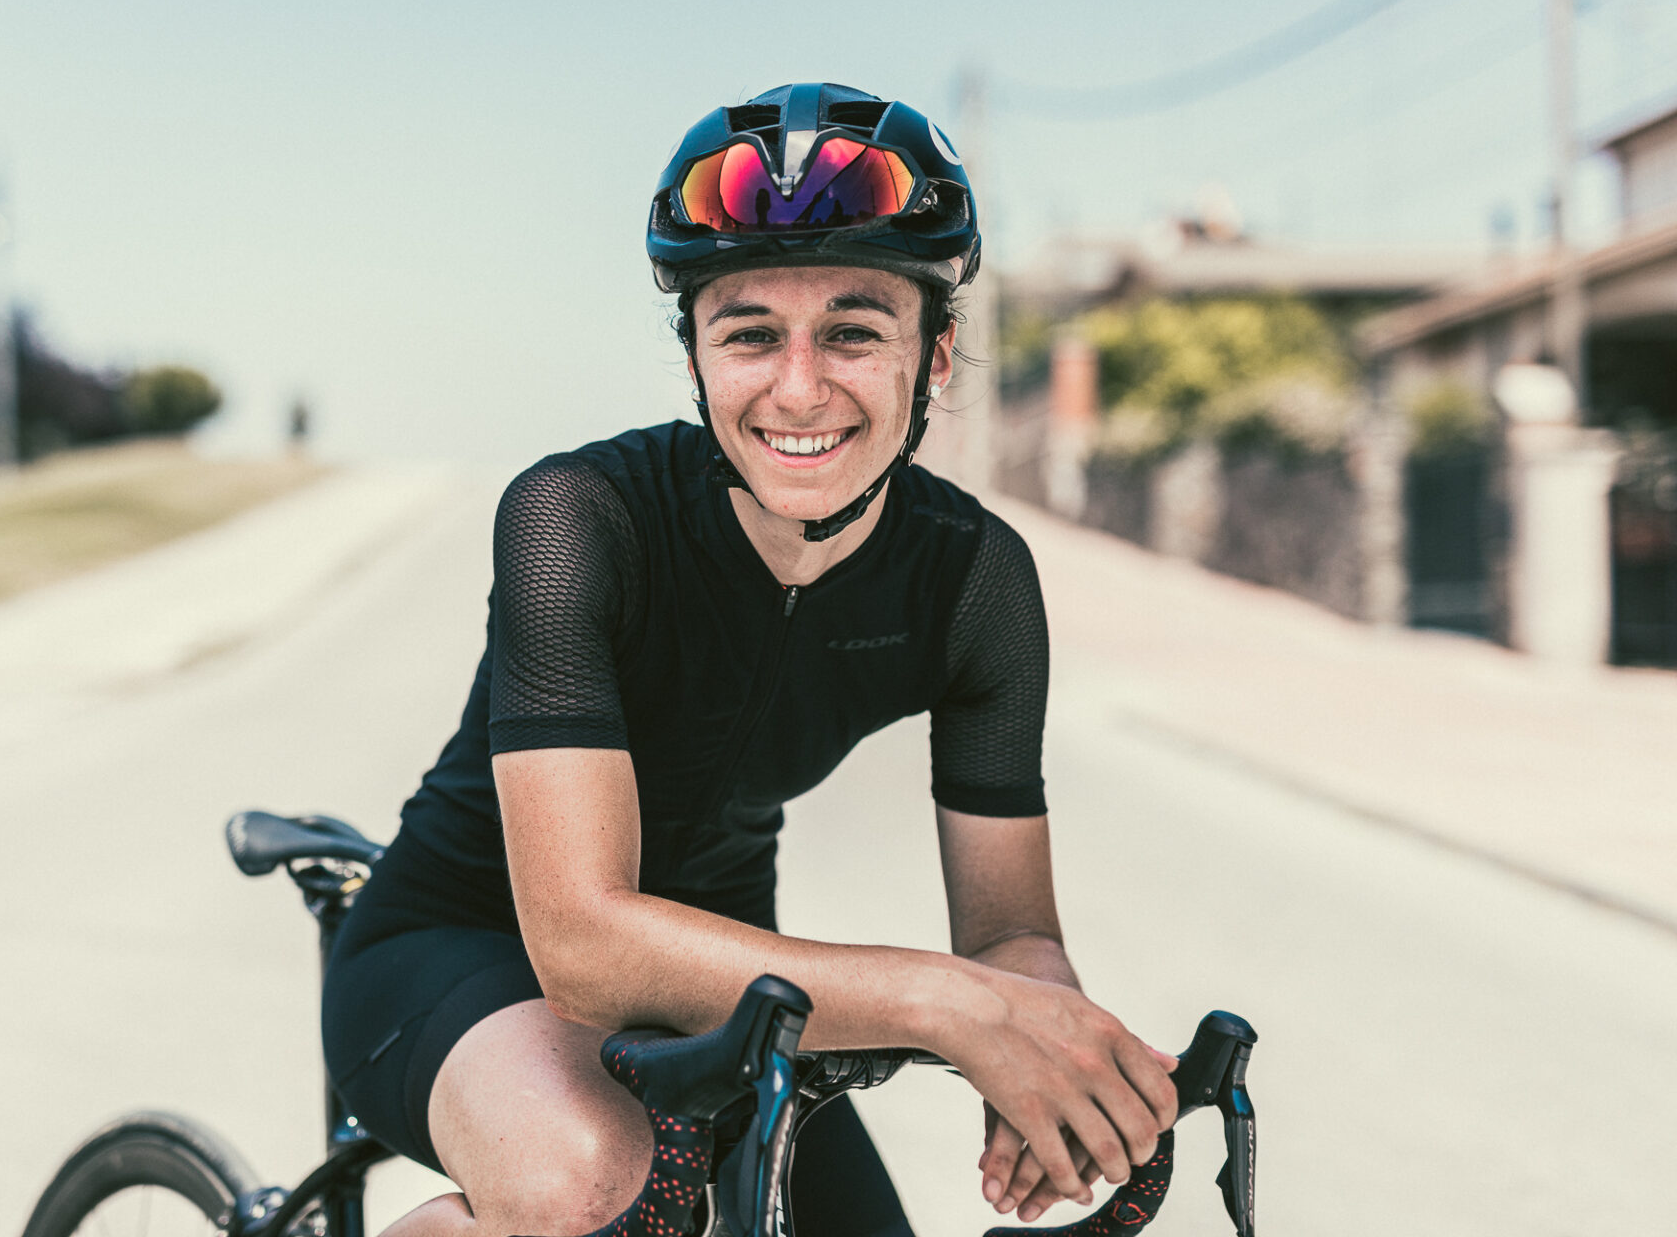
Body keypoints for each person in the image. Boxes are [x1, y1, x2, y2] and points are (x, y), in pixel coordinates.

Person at [321, 82, 1177, 1237]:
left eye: (854, 330)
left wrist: (1047, 1047)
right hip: (464, 955)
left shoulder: (976, 582)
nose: (799, 387)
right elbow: (580, 942)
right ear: (695, 357)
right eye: (750, 333)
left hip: (735, 995)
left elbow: (1011, 934)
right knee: (590, 1181)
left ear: (935, 355)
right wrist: (953, 1004)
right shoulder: (580, 518)